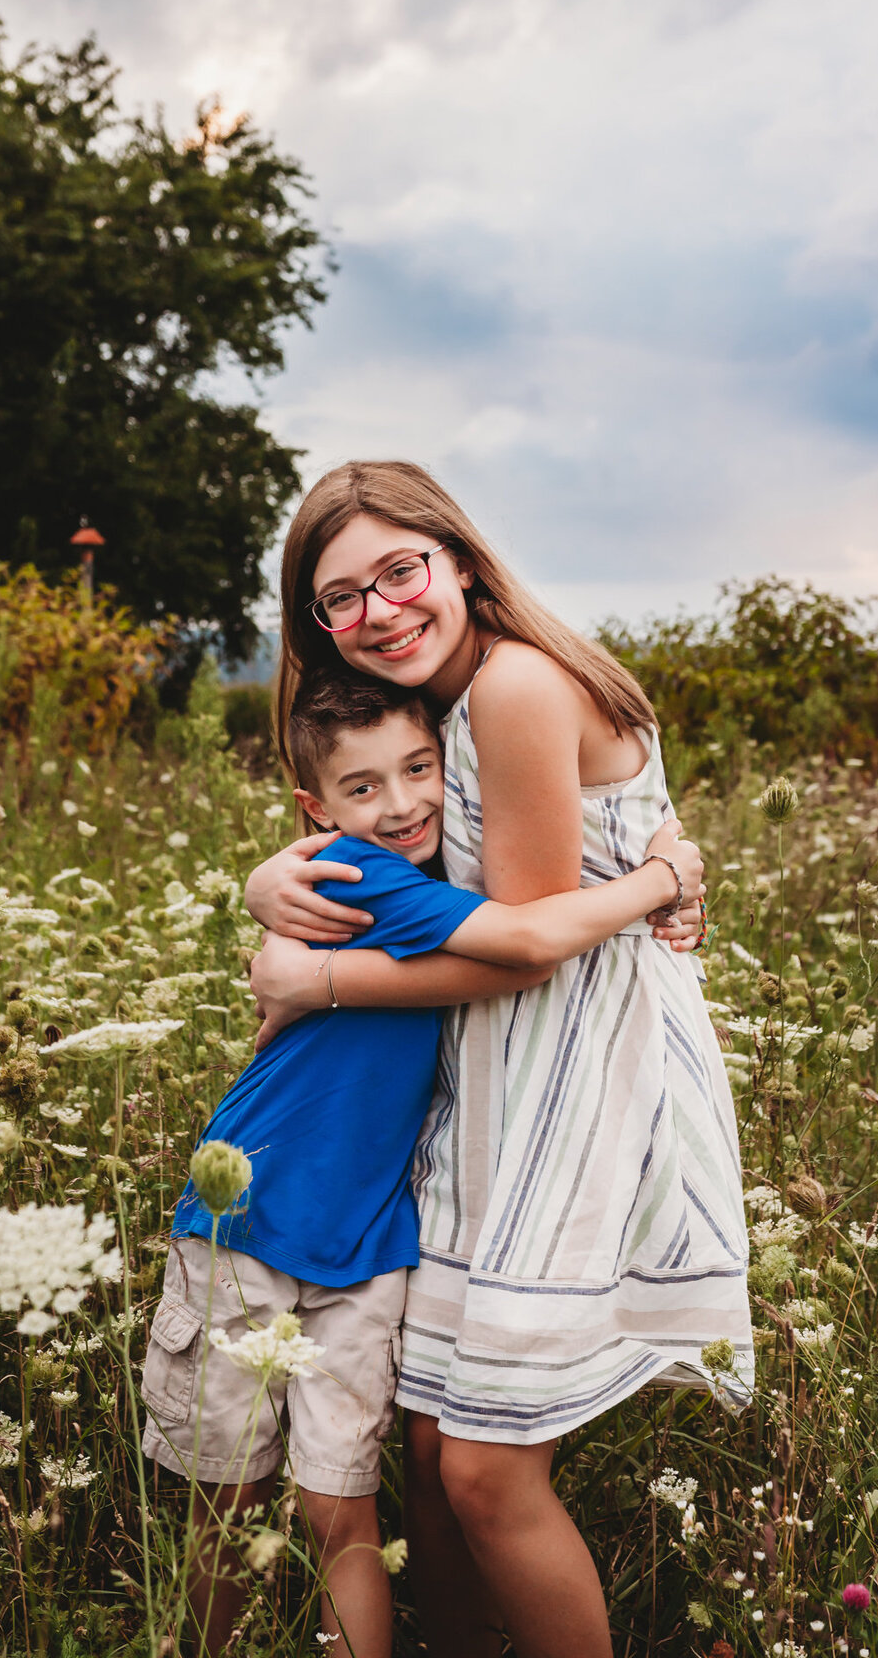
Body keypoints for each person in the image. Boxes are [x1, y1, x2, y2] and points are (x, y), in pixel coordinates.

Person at [244, 461, 753, 1658]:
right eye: (341, 598)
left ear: (460, 561)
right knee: (428, 1438)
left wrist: (313, 978)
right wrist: (268, 878)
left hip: (577, 1078)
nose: (379, 610)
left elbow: (524, 947)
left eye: (400, 572)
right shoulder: (430, 709)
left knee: (478, 1466)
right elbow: (380, 832)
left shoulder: (516, 685)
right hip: (485, 1079)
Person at [142, 669, 704, 1658]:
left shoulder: (445, 877)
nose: (400, 803)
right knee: (224, 1508)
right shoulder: (372, 880)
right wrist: (657, 881)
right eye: (364, 787)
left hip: (365, 1249)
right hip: (248, 1221)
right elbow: (533, 938)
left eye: (419, 769)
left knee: (341, 1516)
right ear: (317, 810)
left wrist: (676, 873)